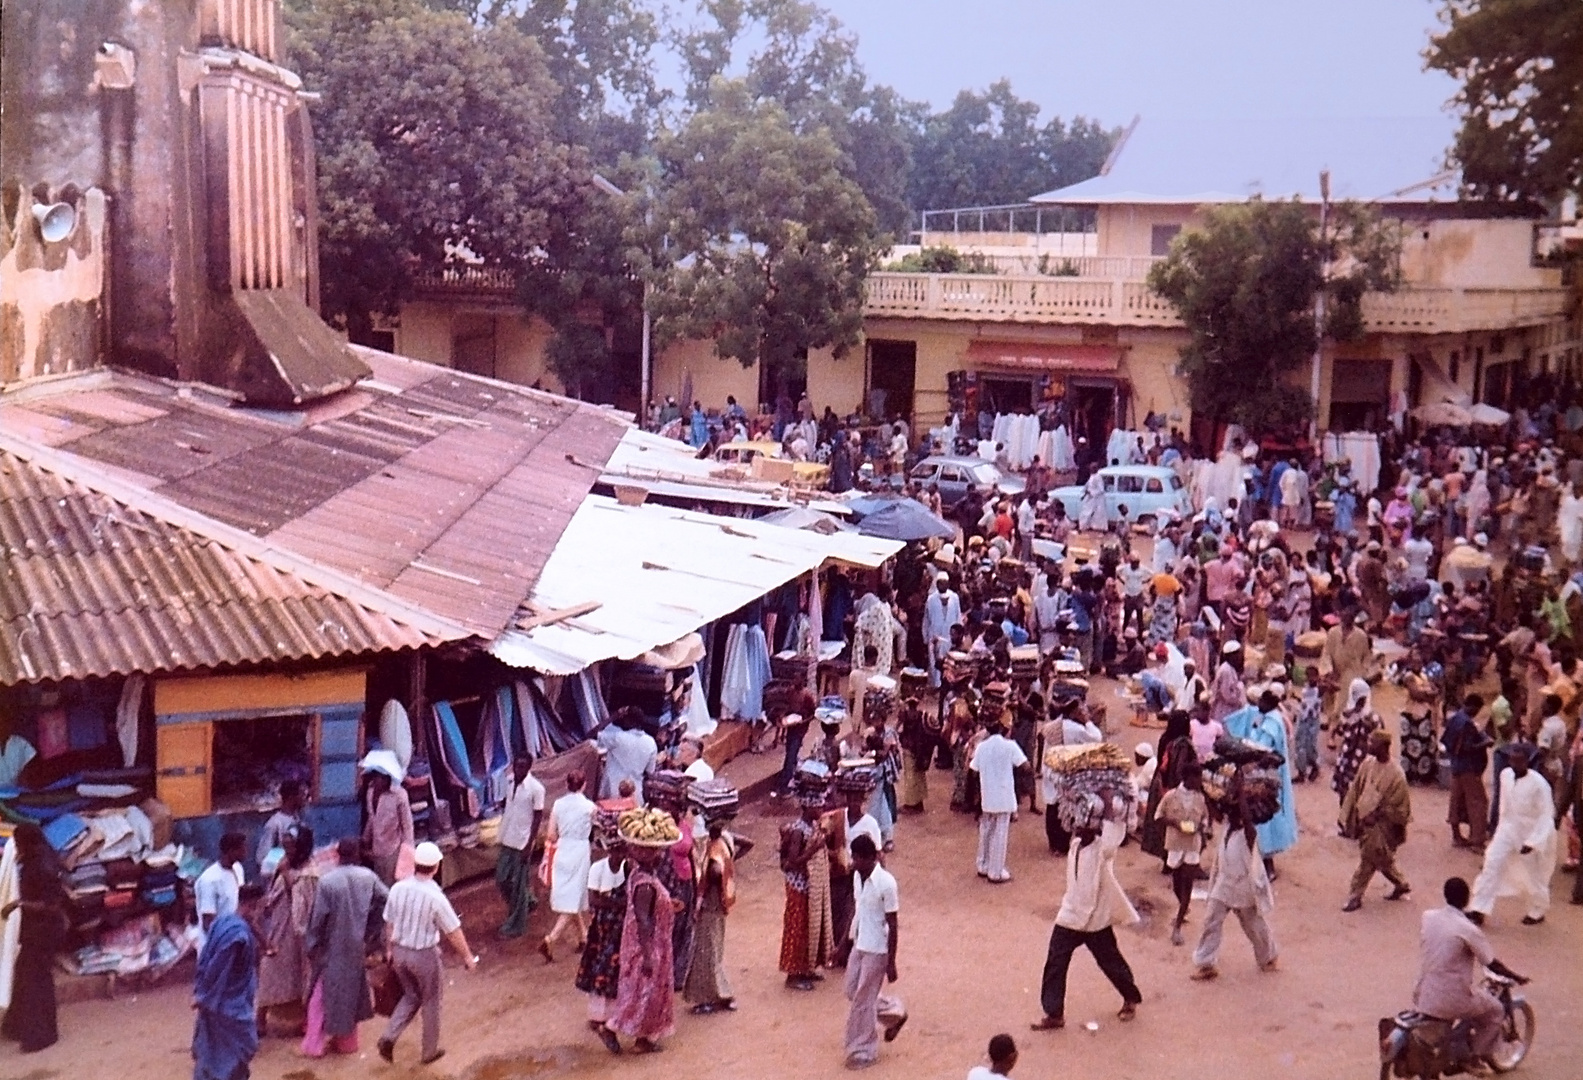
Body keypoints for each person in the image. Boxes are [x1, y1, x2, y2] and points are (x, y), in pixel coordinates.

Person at [1031, 815, 1142, 1031]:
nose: (1078, 828)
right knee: (1056, 961)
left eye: (1083, 824)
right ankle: (1054, 1013)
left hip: (1095, 919)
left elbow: (1115, 832)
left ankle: (1130, 997)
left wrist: (1109, 806)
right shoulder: (1075, 845)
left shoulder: (1103, 850)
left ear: (1096, 827)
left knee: (1110, 961)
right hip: (1070, 915)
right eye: (1077, 824)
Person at [1414, 878, 1529, 1075]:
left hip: (1423, 992)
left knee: (1474, 1002)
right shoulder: (1469, 929)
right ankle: (1472, 1057)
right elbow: (1492, 963)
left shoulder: (1428, 916)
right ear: (1467, 899)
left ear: (1445, 895)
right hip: (1452, 998)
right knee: (1495, 1010)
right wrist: (1516, 977)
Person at [378, 842, 478, 1066]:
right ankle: (429, 1051)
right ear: (436, 867)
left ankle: (388, 1036)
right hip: (423, 955)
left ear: (416, 864)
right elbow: (453, 931)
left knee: (411, 996)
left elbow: (389, 922)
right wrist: (467, 957)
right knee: (431, 1001)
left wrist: (389, 950)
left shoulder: (398, 888)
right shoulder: (436, 897)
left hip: (400, 953)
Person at [302, 838, 388, 1059]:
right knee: (351, 993)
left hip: (331, 946)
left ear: (337, 855)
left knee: (321, 997)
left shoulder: (327, 882)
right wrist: (372, 929)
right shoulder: (368, 877)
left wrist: (312, 944)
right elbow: (387, 900)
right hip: (357, 944)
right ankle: (347, 1043)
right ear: (358, 855)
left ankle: (315, 1045)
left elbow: (318, 918)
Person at [1191, 782, 1278, 979]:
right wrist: (1203, 789)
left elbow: (1247, 819)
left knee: (1254, 926)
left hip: (1244, 887)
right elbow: (1216, 812)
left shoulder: (1249, 833)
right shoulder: (1228, 826)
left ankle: (1268, 957)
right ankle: (1206, 964)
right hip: (1224, 883)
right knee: (1211, 921)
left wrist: (1240, 792)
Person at [834, 834, 906, 1069]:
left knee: (862, 1000)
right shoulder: (857, 877)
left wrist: (891, 962)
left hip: (877, 950)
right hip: (860, 943)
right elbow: (856, 910)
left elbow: (893, 924)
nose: (854, 862)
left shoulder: (887, 883)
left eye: (857, 858)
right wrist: (843, 943)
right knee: (852, 991)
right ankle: (894, 1012)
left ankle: (863, 1050)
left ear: (870, 858)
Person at [1468, 744, 1557, 925]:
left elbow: (1546, 816)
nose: (1515, 765)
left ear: (1527, 762)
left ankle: (1537, 910)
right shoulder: (1505, 776)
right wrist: (1498, 831)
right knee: (1491, 863)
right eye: (1512, 760)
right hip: (1507, 830)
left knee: (1534, 874)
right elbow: (1504, 807)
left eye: (1520, 761)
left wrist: (1533, 841)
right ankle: (1479, 908)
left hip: (1530, 834)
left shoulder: (1539, 784)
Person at [606, 838, 676, 1054]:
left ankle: (643, 1038)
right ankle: (611, 1026)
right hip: (647, 945)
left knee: (646, 991)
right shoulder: (645, 884)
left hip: (652, 943)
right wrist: (647, 955)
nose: (662, 855)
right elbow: (643, 920)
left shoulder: (641, 875)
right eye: (657, 851)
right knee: (643, 991)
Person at [0, 823, 63, 1053]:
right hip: (37, 930)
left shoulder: (41, 865)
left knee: (37, 982)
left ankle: (43, 1034)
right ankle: (16, 1025)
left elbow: (51, 905)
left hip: (43, 931)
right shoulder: (39, 856)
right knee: (26, 975)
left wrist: (18, 904)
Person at [193, 882, 264, 1080]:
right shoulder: (236, 934)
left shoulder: (223, 923)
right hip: (229, 1006)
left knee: (219, 1055)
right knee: (241, 1047)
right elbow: (217, 965)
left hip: (231, 1001)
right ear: (253, 904)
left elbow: (205, 958)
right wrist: (206, 995)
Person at [1225, 692, 1299, 877]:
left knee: (1263, 815)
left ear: (1269, 703)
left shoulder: (1272, 724)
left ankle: (1268, 865)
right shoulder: (1269, 717)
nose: (1259, 705)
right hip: (1263, 774)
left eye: (1262, 702)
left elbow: (1261, 748)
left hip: (1267, 777)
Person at [256, 826, 318, 1037]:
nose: (287, 851)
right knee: (269, 970)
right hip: (279, 927)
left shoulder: (310, 874)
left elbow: (301, 905)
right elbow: (274, 892)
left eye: (291, 847)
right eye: (286, 846)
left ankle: (304, 1021)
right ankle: (260, 1018)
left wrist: (285, 874)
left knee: (300, 976)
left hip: (297, 933)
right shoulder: (285, 865)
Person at [1341, 730, 1413, 911]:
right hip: (1365, 821)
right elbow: (1356, 789)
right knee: (1382, 859)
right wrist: (1353, 816)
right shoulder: (1367, 764)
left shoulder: (1397, 775)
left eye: (1372, 742)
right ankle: (1401, 883)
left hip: (1382, 826)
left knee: (1368, 859)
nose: (1368, 745)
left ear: (1383, 747)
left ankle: (1355, 895)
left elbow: (1401, 807)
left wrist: (1379, 814)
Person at [779, 783, 834, 990]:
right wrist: (813, 850)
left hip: (810, 886)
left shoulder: (812, 827)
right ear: (808, 807)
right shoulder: (798, 832)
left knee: (810, 927)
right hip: (798, 887)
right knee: (798, 928)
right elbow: (793, 862)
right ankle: (794, 974)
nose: (821, 810)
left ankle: (807, 968)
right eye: (818, 807)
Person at [576, 839, 628, 1053]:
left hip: (620, 927)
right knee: (601, 972)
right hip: (604, 929)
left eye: (622, 850)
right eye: (615, 850)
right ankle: (598, 1018)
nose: (618, 854)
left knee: (613, 973)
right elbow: (593, 900)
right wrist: (619, 904)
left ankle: (607, 1018)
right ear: (609, 850)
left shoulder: (628, 868)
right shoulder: (598, 868)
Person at [541, 769, 596, 962]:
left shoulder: (558, 804)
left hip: (562, 849)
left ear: (567, 785)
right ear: (584, 785)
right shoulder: (589, 807)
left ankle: (584, 937)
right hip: (580, 851)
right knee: (575, 896)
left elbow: (550, 834)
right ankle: (551, 938)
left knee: (575, 896)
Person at [683, 818, 737, 1014]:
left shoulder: (714, 847)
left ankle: (711, 996)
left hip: (710, 904)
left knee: (706, 951)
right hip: (720, 903)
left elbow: (713, 872)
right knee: (714, 949)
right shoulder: (726, 841)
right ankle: (720, 994)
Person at [970, 718, 1029, 883]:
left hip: (987, 795)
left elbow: (973, 771)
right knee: (1000, 834)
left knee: (986, 831)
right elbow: (1026, 766)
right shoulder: (1010, 746)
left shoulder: (982, 747)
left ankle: (983, 865)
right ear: (1005, 729)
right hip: (1003, 797)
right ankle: (996, 872)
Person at [1155, 768, 1209, 946]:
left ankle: (1177, 925)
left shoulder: (1200, 798)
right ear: (1186, 777)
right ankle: (1183, 908)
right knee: (1178, 883)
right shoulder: (1171, 797)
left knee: (1187, 883)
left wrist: (1201, 829)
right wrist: (1175, 823)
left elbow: (1204, 820)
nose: (1198, 782)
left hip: (1192, 845)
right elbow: (1159, 817)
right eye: (1196, 778)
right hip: (1176, 844)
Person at [494, 755, 544, 938]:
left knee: (518, 883)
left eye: (522, 766)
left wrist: (529, 845)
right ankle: (527, 901)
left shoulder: (536, 789)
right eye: (516, 765)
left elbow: (538, 817)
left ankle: (516, 925)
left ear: (529, 767)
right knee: (502, 878)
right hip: (507, 837)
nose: (518, 769)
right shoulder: (508, 782)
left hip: (522, 842)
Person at [1442, 694, 1492, 850]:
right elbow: (1467, 747)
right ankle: (1477, 841)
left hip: (1456, 765)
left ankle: (1457, 836)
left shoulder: (1454, 719)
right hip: (1469, 767)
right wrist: (1485, 742)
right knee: (1478, 803)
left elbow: (1446, 741)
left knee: (1456, 801)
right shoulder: (1467, 724)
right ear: (1473, 706)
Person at [1332, 678, 1382, 804]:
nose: (1360, 701)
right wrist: (1348, 718)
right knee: (1344, 790)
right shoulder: (1347, 715)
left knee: (1360, 791)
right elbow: (1338, 731)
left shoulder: (1373, 717)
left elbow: (1380, 736)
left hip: (1363, 760)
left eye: (1362, 698)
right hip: (1346, 758)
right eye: (1357, 697)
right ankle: (1344, 817)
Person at [195, 832, 247, 953]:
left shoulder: (237, 869)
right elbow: (208, 924)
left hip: (234, 943)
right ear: (230, 851)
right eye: (242, 848)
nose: (245, 852)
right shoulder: (209, 880)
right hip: (215, 949)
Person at [362, 767, 413, 886]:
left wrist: (408, 852)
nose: (384, 781)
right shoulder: (370, 792)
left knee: (391, 885)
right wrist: (365, 838)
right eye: (381, 777)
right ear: (375, 777)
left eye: (386, 777)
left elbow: (407, 826)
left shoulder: (399, 795)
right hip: (377, 848)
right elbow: (372, 817)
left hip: (393, 849)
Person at [255, 779, 308, 872]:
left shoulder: (299, 820)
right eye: (302, 794)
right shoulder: (275, 824)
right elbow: (262, 859)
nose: (305, 798)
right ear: (291, 797)